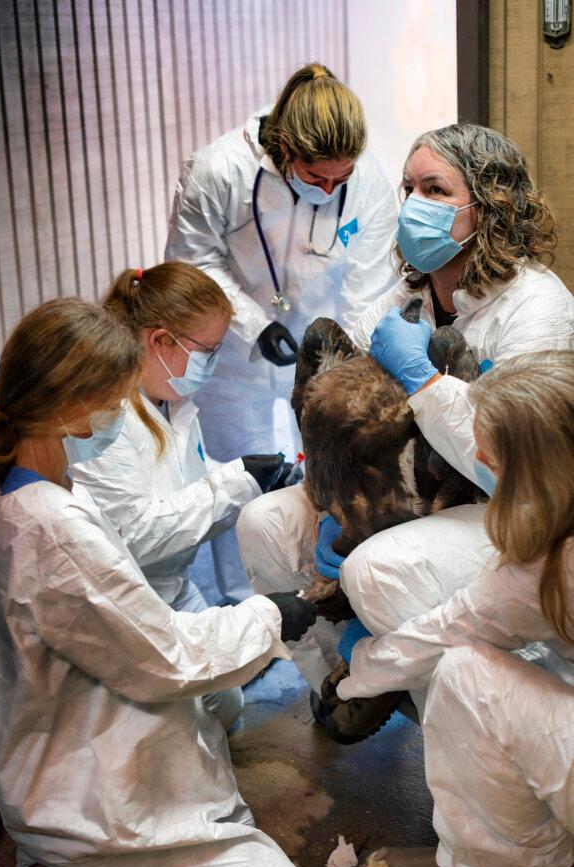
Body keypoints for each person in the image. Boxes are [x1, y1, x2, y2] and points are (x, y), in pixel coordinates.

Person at [236, 122, 574, 737]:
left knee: (375, 570)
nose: (415, 203)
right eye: (409, 186)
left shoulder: (536, 308)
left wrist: (421, 380)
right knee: (263, 524)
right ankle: (348, 680)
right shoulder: (407, 294)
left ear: (489, 203)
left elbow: (512, 466)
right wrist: (336, 479)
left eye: (436, 189)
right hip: (402, 483)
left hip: (496, 505)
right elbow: (344, 389)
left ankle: (438, 699)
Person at [0, 298, 313, 867]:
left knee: (215, 716)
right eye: (116, 395)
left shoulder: (20, 491)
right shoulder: (53, 528)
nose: (121, 411)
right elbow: (167, 658)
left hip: (60, 728)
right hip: (81, 798)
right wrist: (271, 615)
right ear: (78, 404)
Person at [335, 351, 574, 867]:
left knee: (464, 677)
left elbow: (455, 628)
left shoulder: (556, 564)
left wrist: (357, 670)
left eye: (492, 454)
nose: (480, 455)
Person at [166, 62, 398, 603]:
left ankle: (319, 595)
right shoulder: (218, 169)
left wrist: (348, 358)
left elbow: (370, 283)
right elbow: (191, 261)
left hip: (324, 344)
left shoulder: (366, 180)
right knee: (240, 477)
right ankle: (240, 603)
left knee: (331, 465)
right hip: (237, 355)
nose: (332, 187)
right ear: (285, 145)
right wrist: (255, 325)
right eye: (318, 177)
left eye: (342, 177)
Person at [72, 261, 295, 732]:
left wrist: (259, 481)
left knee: (227, 705)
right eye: (208, 351)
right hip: (124, 603)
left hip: (172, 588)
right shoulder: (106, 420)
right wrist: (235, 484)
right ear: (160, 341)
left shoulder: (168, 402)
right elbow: (136, 536)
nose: (212, 364)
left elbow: (186, 484)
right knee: (172, 733)